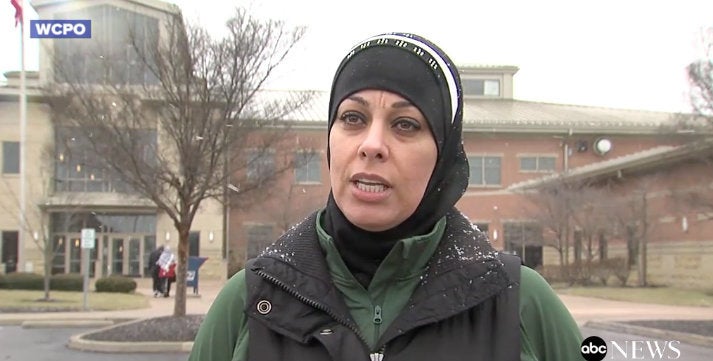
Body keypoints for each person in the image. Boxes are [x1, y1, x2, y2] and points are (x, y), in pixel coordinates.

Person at [189, 32, 583, 361]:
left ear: (443, 156)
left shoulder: (520, 303)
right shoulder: (250, 300)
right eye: (353, 118)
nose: (372, 145)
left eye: (405, 124)